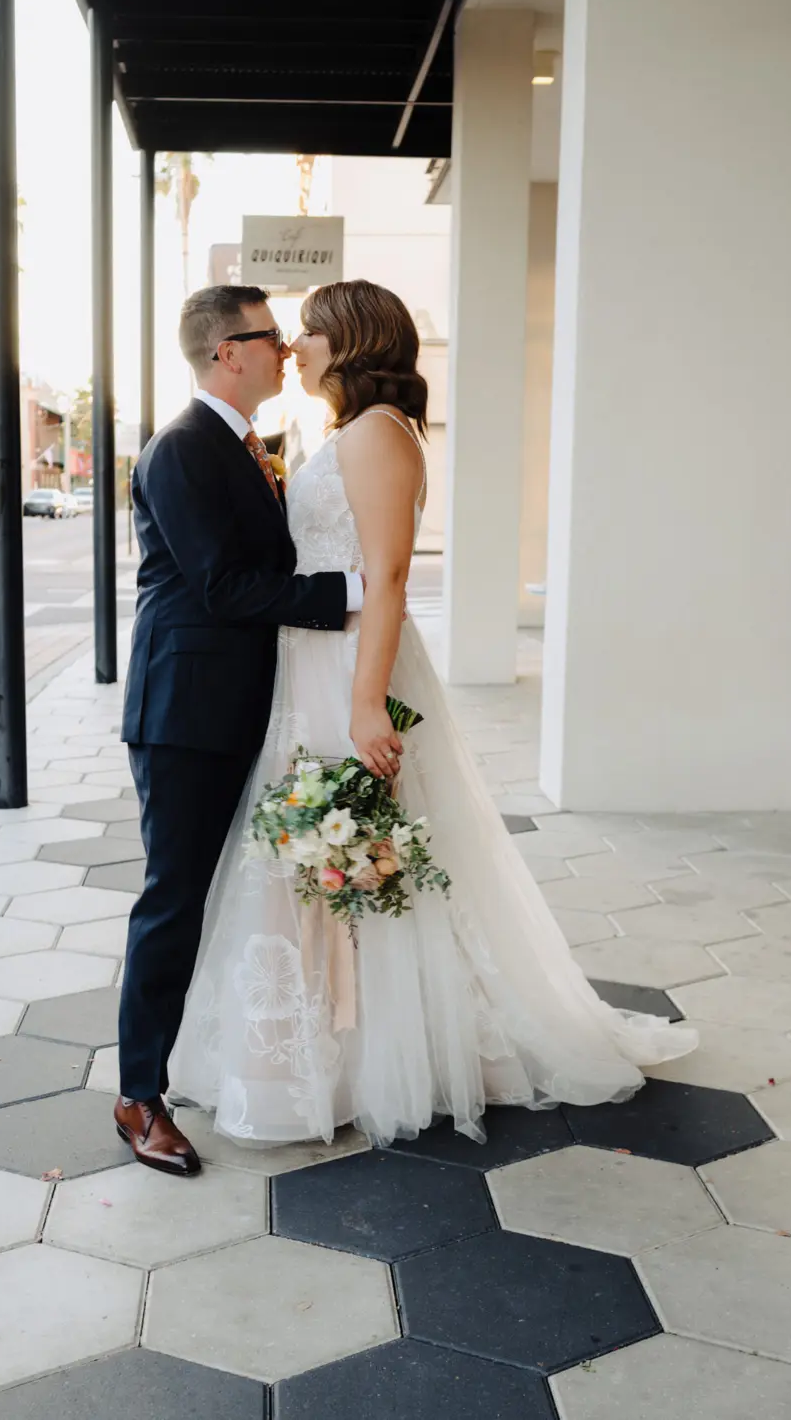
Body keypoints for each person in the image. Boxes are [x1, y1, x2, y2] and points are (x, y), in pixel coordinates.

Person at [167, 279, 697, 1148]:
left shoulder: (378, 436)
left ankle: (380, 1053)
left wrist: (367, 700)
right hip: (311, 666)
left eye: (310, 332)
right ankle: (316, 1052)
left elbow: (390, 580)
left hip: (350, 667)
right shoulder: (348, 432)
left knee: (355, 852)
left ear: (352, 342)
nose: (296, 347)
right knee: (323, 860)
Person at [116, 285, 367, 1177]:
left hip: (241, 703)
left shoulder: (243, 443)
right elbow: (225, 587)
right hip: (186, 713)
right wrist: (352, 596)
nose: (288, 348)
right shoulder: (183, 448)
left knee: (220, 894)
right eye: (272, 335)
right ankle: (137, 1096)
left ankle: (199, 1062)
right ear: (229, 350)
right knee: (174, 899)